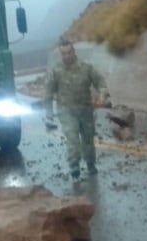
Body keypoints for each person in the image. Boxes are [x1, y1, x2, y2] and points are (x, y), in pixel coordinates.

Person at [44, 38, 110, 181]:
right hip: (66, 111)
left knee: (88, 141)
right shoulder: (56, 71)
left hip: (85, 110)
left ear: (73, 52)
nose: (67, 56)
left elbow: (100, 82)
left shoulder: (86, 68)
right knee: (73, 140)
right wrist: (48, 114)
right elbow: (48, 93)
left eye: (69, 52)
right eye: (64, 54)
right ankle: (74, 169)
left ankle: (91, 165)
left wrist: (102, 95)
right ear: (61, 55)